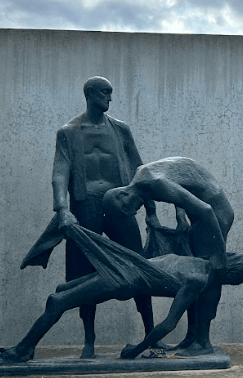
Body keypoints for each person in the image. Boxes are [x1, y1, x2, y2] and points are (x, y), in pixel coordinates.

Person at [0, 157, 243, 364]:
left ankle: (202, 341)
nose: (134, 211)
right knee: (63, 293)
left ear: (123, 195)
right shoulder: (144, 179)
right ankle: (194, 338)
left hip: (212, 215)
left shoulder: (150, 181)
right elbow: (184, 193)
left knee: (59, 299)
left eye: (130, 209)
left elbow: (203, 209)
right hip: (137, 267)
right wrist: (173, 217)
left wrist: (219, 250)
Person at [45, 76, 160, 359]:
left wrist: (152, 211)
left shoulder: (120, 130)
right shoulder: (69, 132)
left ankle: (152, 335)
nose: (110, 98)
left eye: (111, 92)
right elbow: (60, 171)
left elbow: (139, 169)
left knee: (138, 265)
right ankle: (89, 340)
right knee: (83, 273)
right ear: (90, 94)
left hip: (118, 203)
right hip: (86, 207)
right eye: (105, 93)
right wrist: (62, 209)